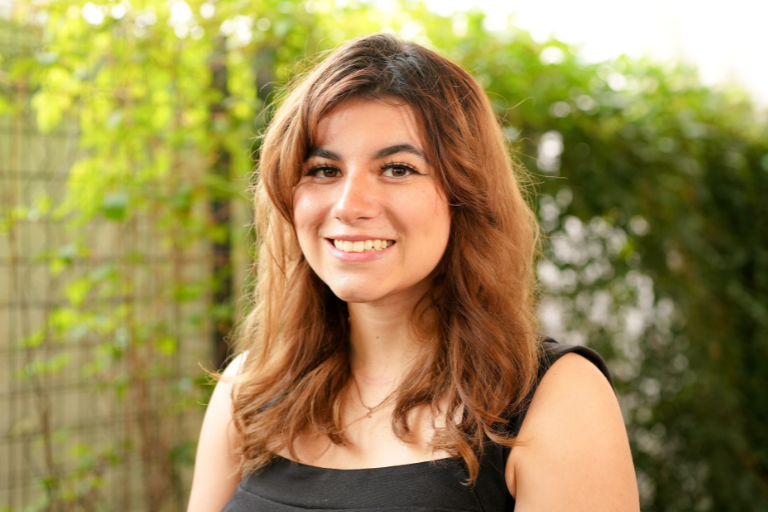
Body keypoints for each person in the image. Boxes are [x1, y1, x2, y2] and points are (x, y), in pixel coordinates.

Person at [187, 34, 639, 512]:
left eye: (398, 169)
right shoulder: (250, 389)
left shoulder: (556, 400)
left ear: (465, 196)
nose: (350, 206)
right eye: (323, 170)